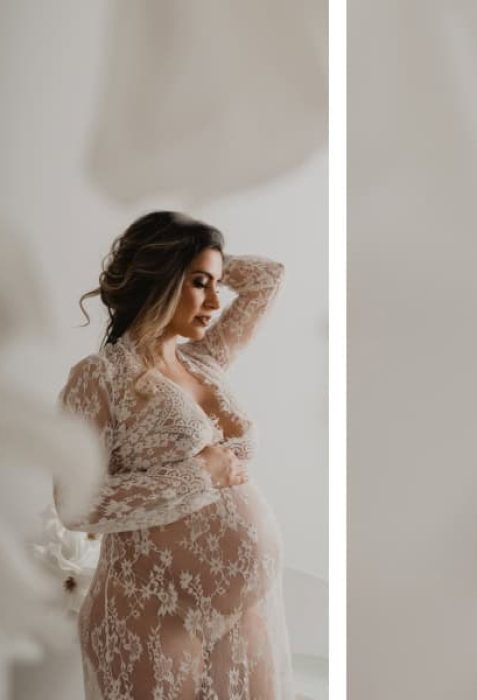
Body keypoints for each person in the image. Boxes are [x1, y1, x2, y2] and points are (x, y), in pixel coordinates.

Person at [55, 211, 294, 698]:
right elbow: (76, 506)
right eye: (199, 283)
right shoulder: (99, 377)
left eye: (218, 283)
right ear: (161, 279)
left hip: (239, 613)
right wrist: (200, 473)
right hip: (151, 613)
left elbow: (269, 278)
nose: (214, 299)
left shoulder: (204, 360)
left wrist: (202, 253)